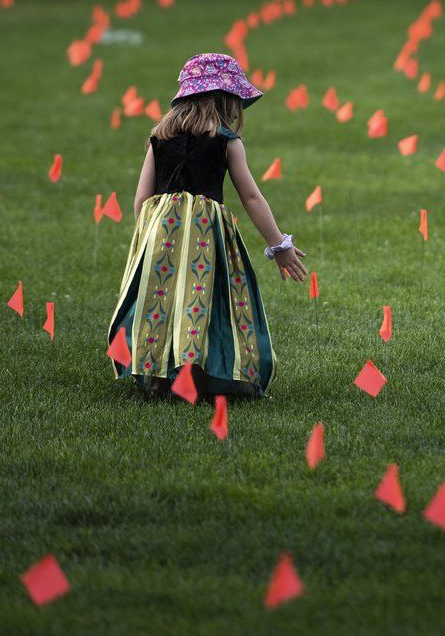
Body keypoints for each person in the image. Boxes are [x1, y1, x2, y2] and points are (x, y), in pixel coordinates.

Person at [107, 53, 305, 400]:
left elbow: (141, 198)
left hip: (161, 233)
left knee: (163, 302)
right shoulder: (227, 140)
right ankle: (203, 378)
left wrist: (148, 236)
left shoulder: (159, 137)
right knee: (202, 303)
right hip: (204, 236)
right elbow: (252, 198)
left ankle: (159, 378)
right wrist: (279, 245)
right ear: (227, 100)